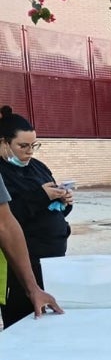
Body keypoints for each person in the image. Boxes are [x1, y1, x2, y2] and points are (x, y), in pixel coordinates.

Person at [0, 106, 71, 325]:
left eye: (33, 146)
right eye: (23, 146)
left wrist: (63, 201)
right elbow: (7, 222)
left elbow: (51, 211)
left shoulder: (37, 167)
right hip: (22, 263)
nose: (29, 151)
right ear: (4, 142)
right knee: (24, 324)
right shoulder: (3, 172)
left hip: (52, 261)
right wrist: (41, 196)